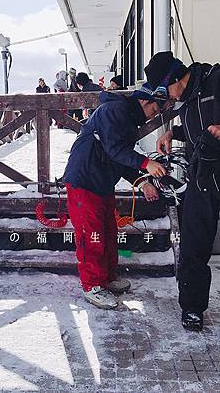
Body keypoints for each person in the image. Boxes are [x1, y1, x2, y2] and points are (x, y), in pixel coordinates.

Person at [145, 51, 220, 345]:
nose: (167, 99)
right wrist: (173, 133)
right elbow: (197, 130)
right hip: (201, 182)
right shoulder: (186, 101)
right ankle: (192, 307)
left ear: (176, 77)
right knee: (193, 245)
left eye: (165, 91)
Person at [63, 86, 167, 309]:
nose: (155, 115)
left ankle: (107, 278)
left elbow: (121, 159)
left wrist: (143, 182)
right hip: (85, 181)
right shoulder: (114, 110)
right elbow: (115, 150)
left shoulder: (128, 120)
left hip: (102, 184)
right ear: (143, 102)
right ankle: (93, 285)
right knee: (91, 236)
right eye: (155, 109)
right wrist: (146, 163)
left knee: (109, 233)